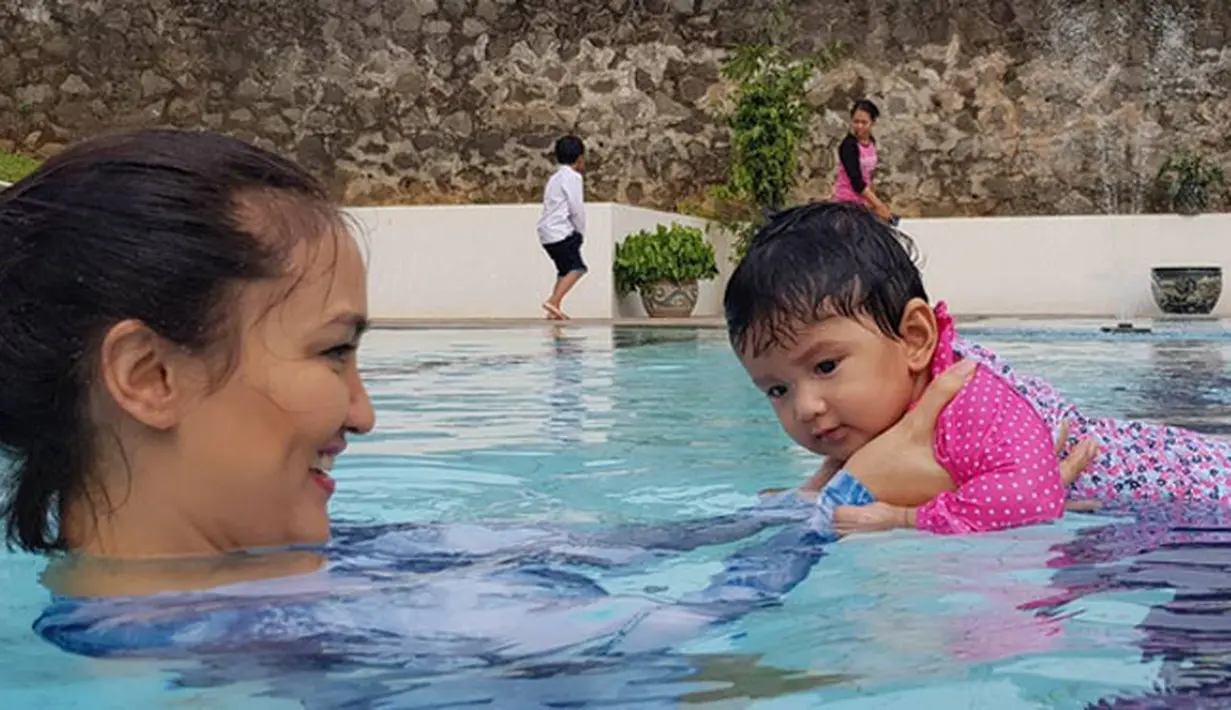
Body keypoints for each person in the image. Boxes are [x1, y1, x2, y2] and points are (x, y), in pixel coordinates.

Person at [0, 130, 1095, 681]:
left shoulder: (293, 573)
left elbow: (595, 548)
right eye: (334, 351)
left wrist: (815, 498)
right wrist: (841, 517)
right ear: (149, 375)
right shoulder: (210, 661)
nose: (367, 412)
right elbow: (664, 674)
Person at [724, 201, 1219, 536]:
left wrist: (907, 518)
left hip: (1190, 497)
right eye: (776, 390)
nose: (805, 407)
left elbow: (1026, 500)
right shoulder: (888, 404)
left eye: (826, 365)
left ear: (915, 339)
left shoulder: (969, 399)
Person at [536, 135, 588, 320]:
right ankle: (553, 300)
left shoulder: (555, 178)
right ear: (580, 158)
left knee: (564, 270)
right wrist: (580, 231)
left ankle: (554, 308)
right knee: (577, 268)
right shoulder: (573, 177)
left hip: (546, 233)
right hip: (560, 231)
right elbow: (576, 207)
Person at [832, 99, 898, 225]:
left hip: (864, 202)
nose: (859, 126)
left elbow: (869, 176)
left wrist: (872, 203)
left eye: (864, 122)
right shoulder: (848, 146)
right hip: (848, 202)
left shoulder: (871, 143)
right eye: (856, 122)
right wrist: (879, 205)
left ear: (872, 123)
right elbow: (857, 182)